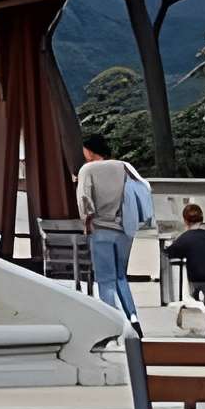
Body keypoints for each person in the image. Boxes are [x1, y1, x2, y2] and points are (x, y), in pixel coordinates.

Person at [76, 138, 148, 323]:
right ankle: (132, 317)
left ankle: (113, 322)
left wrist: (87, 223)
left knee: (106, 279)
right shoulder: (123, 166)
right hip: (125, 229)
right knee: (121, 277)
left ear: (90, 151)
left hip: (101, 230)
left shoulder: (88, 169)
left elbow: (85, 200)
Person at [164, 203, 205, 335]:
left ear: (185, 221)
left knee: (193, 298)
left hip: (195, 276)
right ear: (202, 219)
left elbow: (172, 252)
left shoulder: (186, 237)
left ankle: (193, 325)